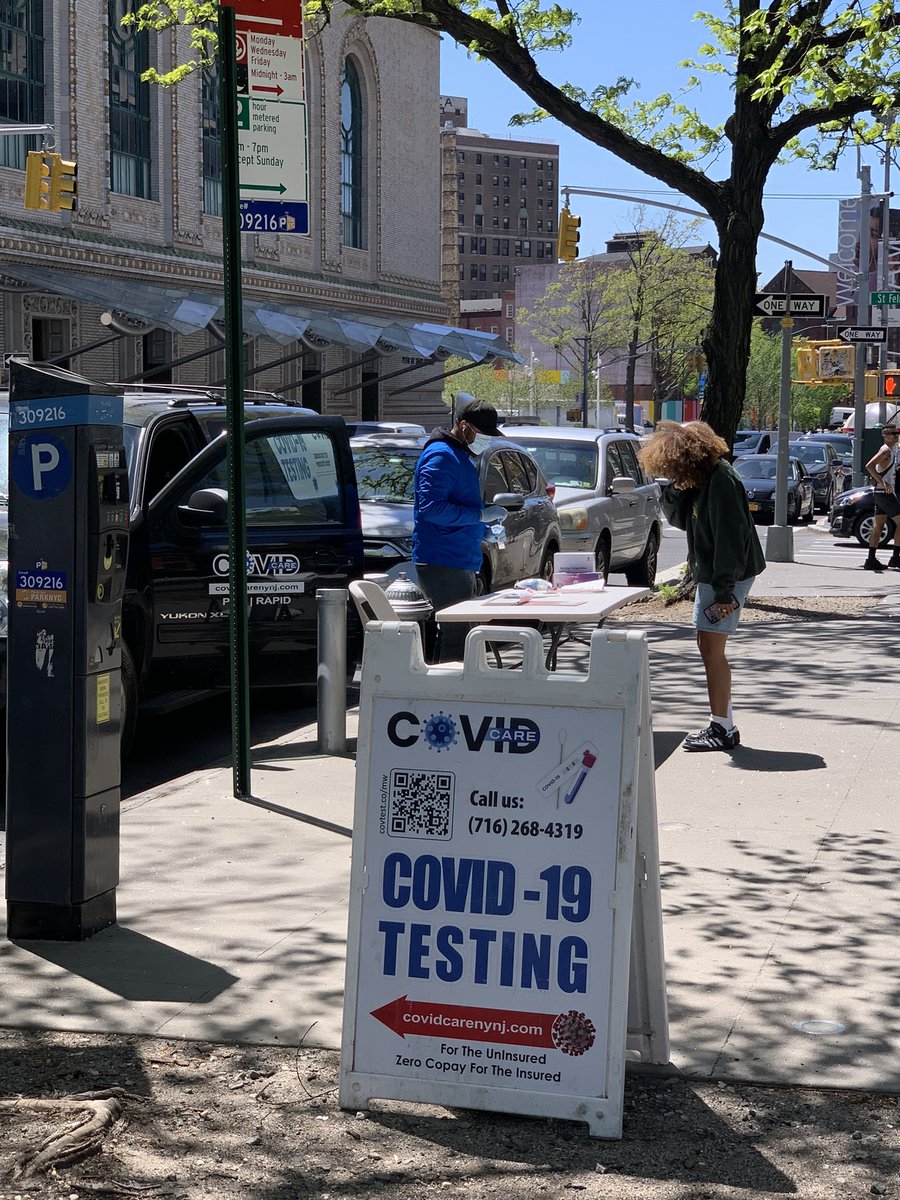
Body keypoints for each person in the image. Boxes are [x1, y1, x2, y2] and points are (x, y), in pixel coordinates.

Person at [640, 421, 766, 752]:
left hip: (723, 575)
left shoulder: (721, 481)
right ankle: (724, 723)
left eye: (673, 468)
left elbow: (730, 540)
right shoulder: (704, 478)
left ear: (688, 457)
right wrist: (674, 490)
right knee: (708, 648)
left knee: (711, 650)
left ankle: (721, 728)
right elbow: (680, 519)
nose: (672, 473)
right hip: (715, 573)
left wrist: (724, 592)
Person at [412, 395, 505, 661]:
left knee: (460, 633)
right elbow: (431, 509)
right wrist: (477, 517)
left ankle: (449, 693)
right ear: (464, 426)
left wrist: (481, 528)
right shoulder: (441, 456)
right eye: (481, 433)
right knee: (457, 635)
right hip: (443, 560)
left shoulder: (456, 455)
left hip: (456, 558)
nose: (485, 440)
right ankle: (447, 696)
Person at [863, 425, 900, 571]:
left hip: (880, 494)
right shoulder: (885, 450)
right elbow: (869, 466)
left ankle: (871, 559)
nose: (895, 435)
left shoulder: (892, 450)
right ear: (885, 435)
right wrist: (882, 482)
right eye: (891, 433)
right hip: (884, 494)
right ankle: (895, 558)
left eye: (896, 433)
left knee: (878, 526)